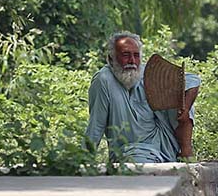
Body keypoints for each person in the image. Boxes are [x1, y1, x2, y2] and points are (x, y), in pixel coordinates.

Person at [85, 31, 200, 163]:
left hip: (164, 144)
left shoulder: (149, 72)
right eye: (126, 55)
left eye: (136, 55)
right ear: (111, 59)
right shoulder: (104, 80)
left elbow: (193, 80)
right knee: (137, 160)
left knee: (182, 93)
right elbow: (96, 125)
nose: (132, 61)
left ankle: (186, 152)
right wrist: (84, 162)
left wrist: (184, 111)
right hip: (130, 150)